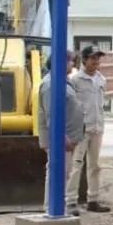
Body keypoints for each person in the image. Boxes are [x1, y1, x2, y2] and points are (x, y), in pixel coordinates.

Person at [38, 49, 85, 216]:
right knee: (56, 172)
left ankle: (58, 205)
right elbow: (51, 115)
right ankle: (51, 207)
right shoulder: (51, 84)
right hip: (59, 139)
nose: (73, 64)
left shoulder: (62, 81)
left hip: (66, 138)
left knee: (63, 173)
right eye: (70, 61)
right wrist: (63, 138)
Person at [70, 45, 112, 213]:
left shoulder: (101, 79)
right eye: (93, 58)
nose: (96, 61)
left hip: (97, 128)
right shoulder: (75, 80)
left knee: (95, 166)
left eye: (98, 58)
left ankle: (93, 200)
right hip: (81, 129)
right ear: (85, 60)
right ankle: (70, 201)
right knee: (76, 165)